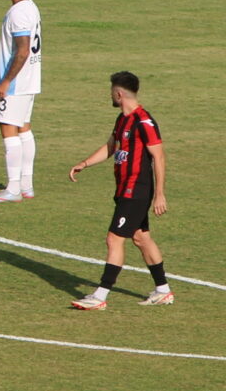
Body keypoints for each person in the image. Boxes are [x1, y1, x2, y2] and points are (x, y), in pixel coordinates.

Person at [67, 71, 172, 310]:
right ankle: (163, 290)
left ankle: (100, 296)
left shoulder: (144, 121)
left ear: (119, 93)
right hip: (124, 189)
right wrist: (84, 164)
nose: (111, 96)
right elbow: (110, 148)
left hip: (136, 191)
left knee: (114, 238)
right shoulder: (122, 120)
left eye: (111, 91)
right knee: (141, 237)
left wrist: (160, 194)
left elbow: (159, 158)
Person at [0, 0, 43, 204]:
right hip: (31, 80)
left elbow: (22, 51)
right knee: (24, 129)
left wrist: (6, 80)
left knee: (9, 130)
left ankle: (13, 189)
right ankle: (27, 184)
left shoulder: (18, 13)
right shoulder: (31, 7)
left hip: (16, 84)